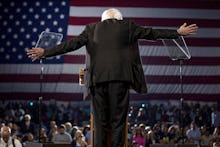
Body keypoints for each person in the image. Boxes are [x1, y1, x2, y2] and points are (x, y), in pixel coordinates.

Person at [27, 8, 198, 147]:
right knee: (118, 120)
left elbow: (70, 45)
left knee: (100, 122)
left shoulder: (91, 28)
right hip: (120, 79)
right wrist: (177, 32)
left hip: (97, 80)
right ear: (119, 18)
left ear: (103, 19)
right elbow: (152, 33)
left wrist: (46, 52)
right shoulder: (128, 26)